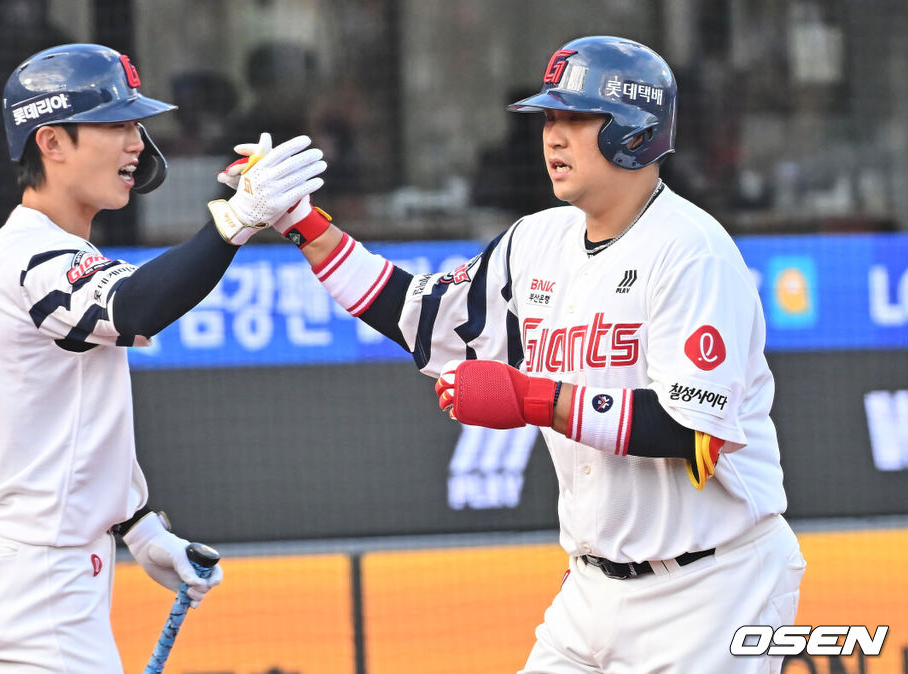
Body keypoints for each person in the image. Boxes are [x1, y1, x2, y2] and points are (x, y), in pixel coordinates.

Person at [227, 35, 805, 673]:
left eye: (576, 119)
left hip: (711, 587)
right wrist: (302, 223)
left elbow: (691, 429)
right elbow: (419, 315)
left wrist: (533, 398)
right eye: (549, 119)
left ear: (635, 131)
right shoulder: (535, 241)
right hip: (590, 588)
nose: (552, 137)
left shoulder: (693, 251)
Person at [0, 43, 325, 672]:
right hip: (36, 591)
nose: (136, 144)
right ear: (51, 142)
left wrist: (141, 529)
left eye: (135, 126)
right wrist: (238, 219)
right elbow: (139, 305)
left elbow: (72, 426)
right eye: (115, 125)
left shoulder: (37, 247)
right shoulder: (35, 256)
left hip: (27, 581)